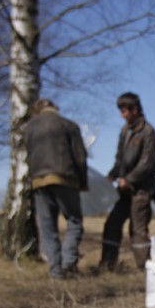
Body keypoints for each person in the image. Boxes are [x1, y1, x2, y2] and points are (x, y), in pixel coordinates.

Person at [23, 98, 88, 280]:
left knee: (47, 226)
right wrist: (83, 181)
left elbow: (27, 156)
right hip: (65, 177)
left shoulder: (29, 128)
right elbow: (80, 157)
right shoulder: (68, 125)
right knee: (74, 221)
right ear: (55, 109)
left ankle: (55, 270)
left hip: (38, 181)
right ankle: (68, 263)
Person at [96, 92, 155, 272]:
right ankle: (107, 264)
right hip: (123, 191)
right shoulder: (125, 131)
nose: (122, 115)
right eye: (121, 111)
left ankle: (145, 268)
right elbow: (120, 159)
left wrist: (129, 179)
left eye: (124, 111)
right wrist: (112, 174)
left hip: (141, 190)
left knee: (137, 231)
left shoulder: (149, 133)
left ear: (135, 109)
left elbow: (147, 163)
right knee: (112, 224)